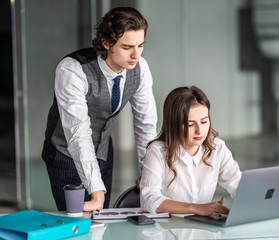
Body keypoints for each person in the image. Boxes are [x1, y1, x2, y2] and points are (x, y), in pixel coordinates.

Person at [42, 7, 157, 212]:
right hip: (65, 151)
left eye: (140, 45)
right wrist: (96, 190)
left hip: (103, 149)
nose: (136, 54)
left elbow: (145, 124)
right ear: (106, 43)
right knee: (77, 222)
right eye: (127, 47)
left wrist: (148, 173)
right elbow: (78, 133)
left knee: (100, 218)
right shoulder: (72, 69)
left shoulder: (140, 68)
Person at [140, 86, 241, 216]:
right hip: (166, 230)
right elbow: (149, 199)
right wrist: (195, 208)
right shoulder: (157, 151)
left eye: (204, 122)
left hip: (203, 229)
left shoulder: (218, 148)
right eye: (190, 124)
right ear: (174, 124)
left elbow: (239, 185)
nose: (199, 130)